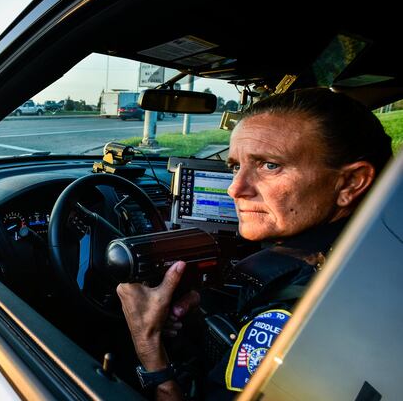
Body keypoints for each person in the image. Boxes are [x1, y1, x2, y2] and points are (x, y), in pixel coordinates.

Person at [116, 88, 393, 399]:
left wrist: (148, 345)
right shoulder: (371, 254)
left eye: (269, 165)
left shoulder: (298, 307)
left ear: (350, 183)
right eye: (236, 166)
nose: (236, 188)